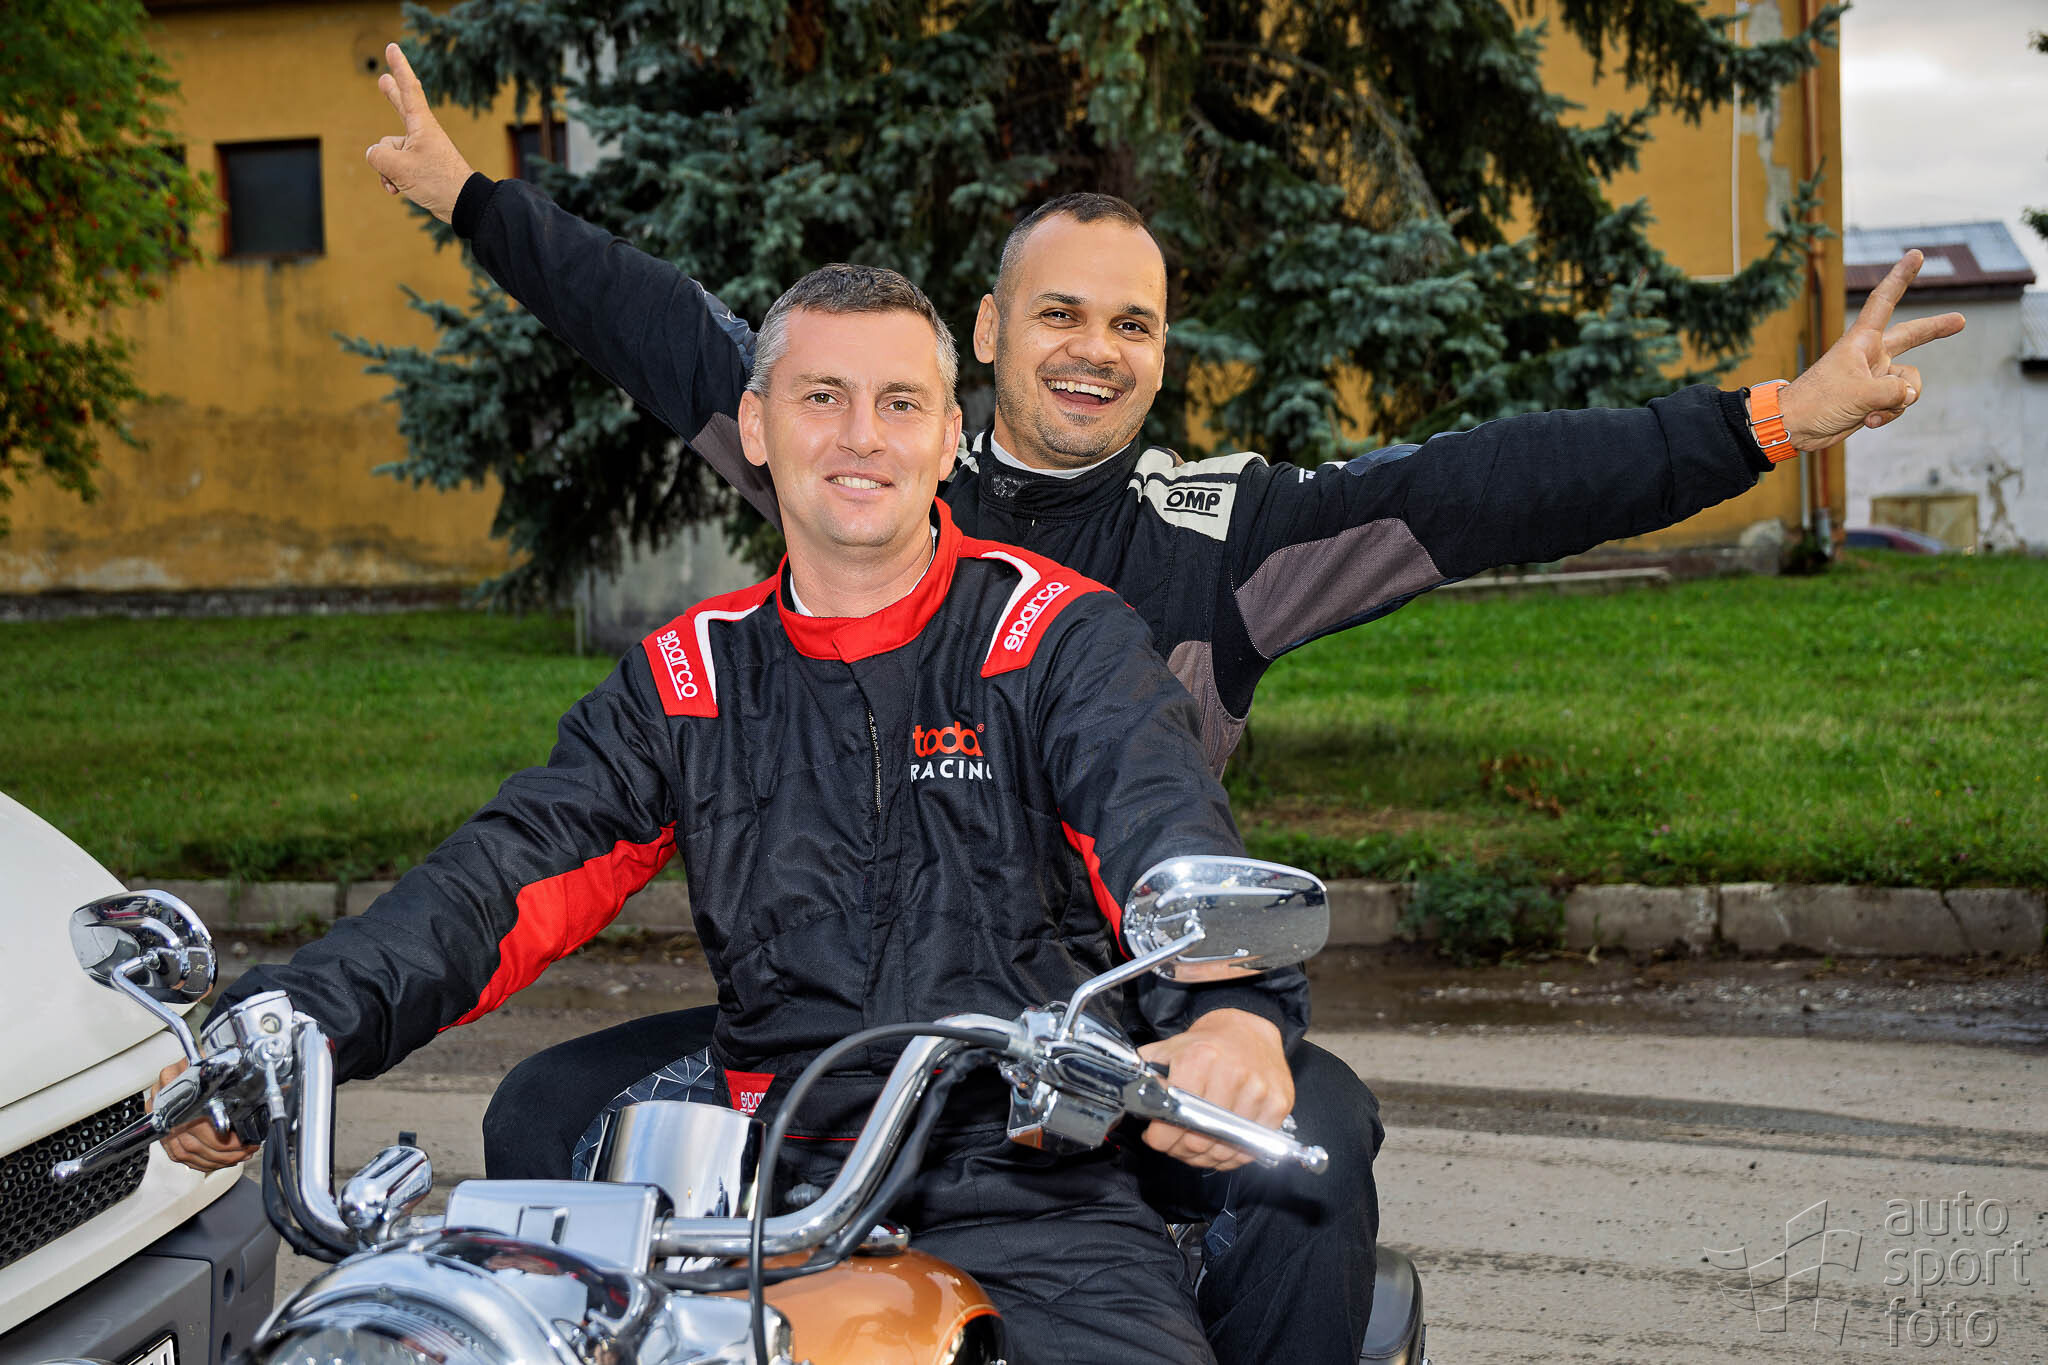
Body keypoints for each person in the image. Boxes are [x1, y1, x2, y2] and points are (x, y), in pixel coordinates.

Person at [358, 42, 1963, 1363]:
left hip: (1127, 1022)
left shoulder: (1226, 536)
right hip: (848, 1014)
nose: (1095, 351)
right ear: (986, 335)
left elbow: (1489, 486)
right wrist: (467, 198)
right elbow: (653, 325)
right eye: (1060, 313)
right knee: (549, 1109)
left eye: (1133, 324)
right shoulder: (875, 454)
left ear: (1163, 353)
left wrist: (1773, 418)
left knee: (1312, 1170)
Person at [163, 265, 1315, 1364]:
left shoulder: (1053, 633)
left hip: (1028, 1176)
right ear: (757, 426)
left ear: (942, 439)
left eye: (898, 403)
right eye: (821, 397)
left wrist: (1231, 1015)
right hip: (753, 1182)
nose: (860, 436)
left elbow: (1159, 823)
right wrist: (297, 1020)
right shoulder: (691, 675)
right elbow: (505, 878)